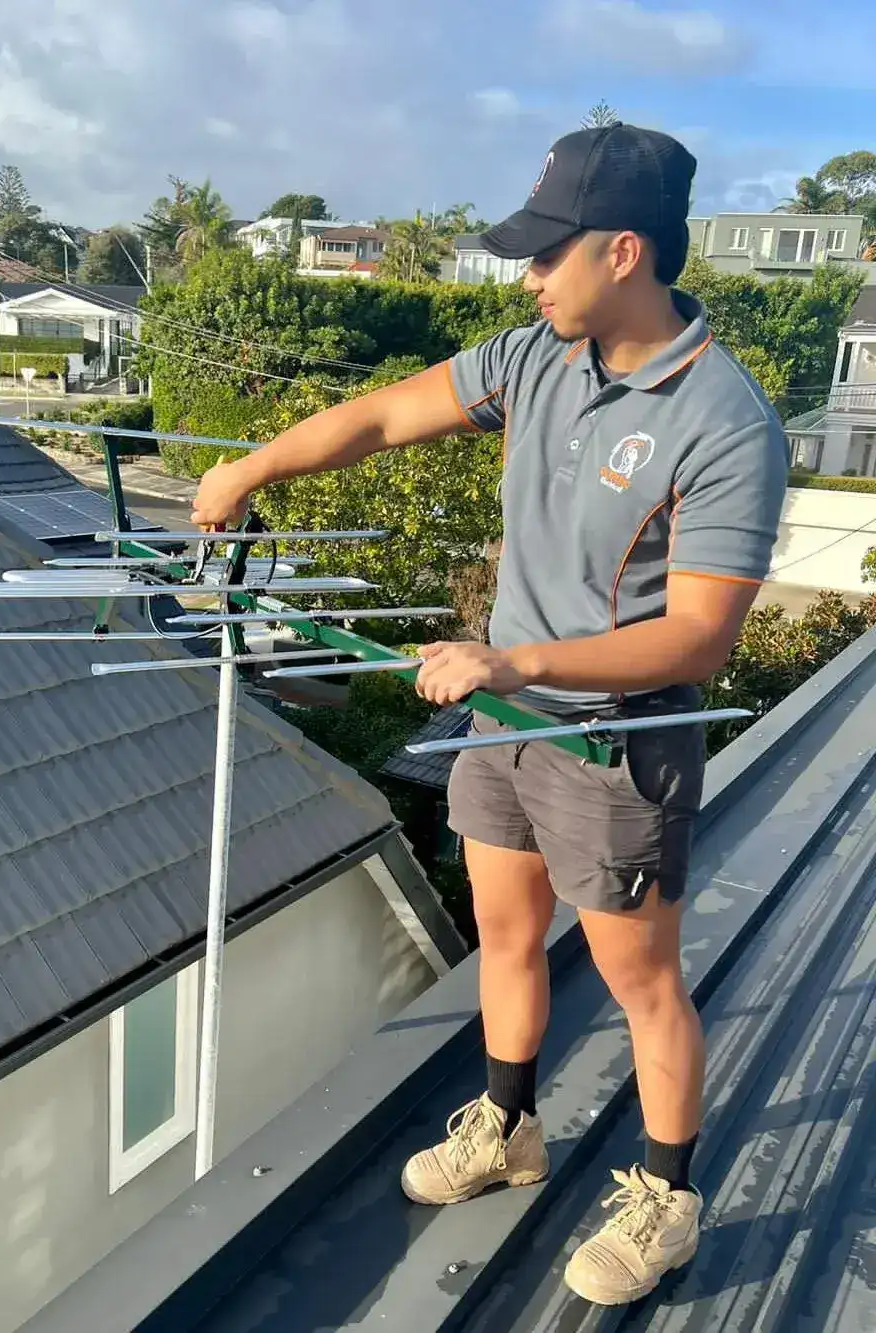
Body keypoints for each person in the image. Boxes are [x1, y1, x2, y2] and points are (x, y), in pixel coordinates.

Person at [191, 122, 789, 1306]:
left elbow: (700, 636)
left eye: (543, 254)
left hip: (610, 742)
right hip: (502, 721)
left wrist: (511, 660)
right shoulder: (534, 356)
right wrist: (253, 468)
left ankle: (668, 1197)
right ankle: (509, 1130)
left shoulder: (727, 420)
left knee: (642, 985)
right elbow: (377, 416)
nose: (524, 275)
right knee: (504, 938)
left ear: (624, 252)